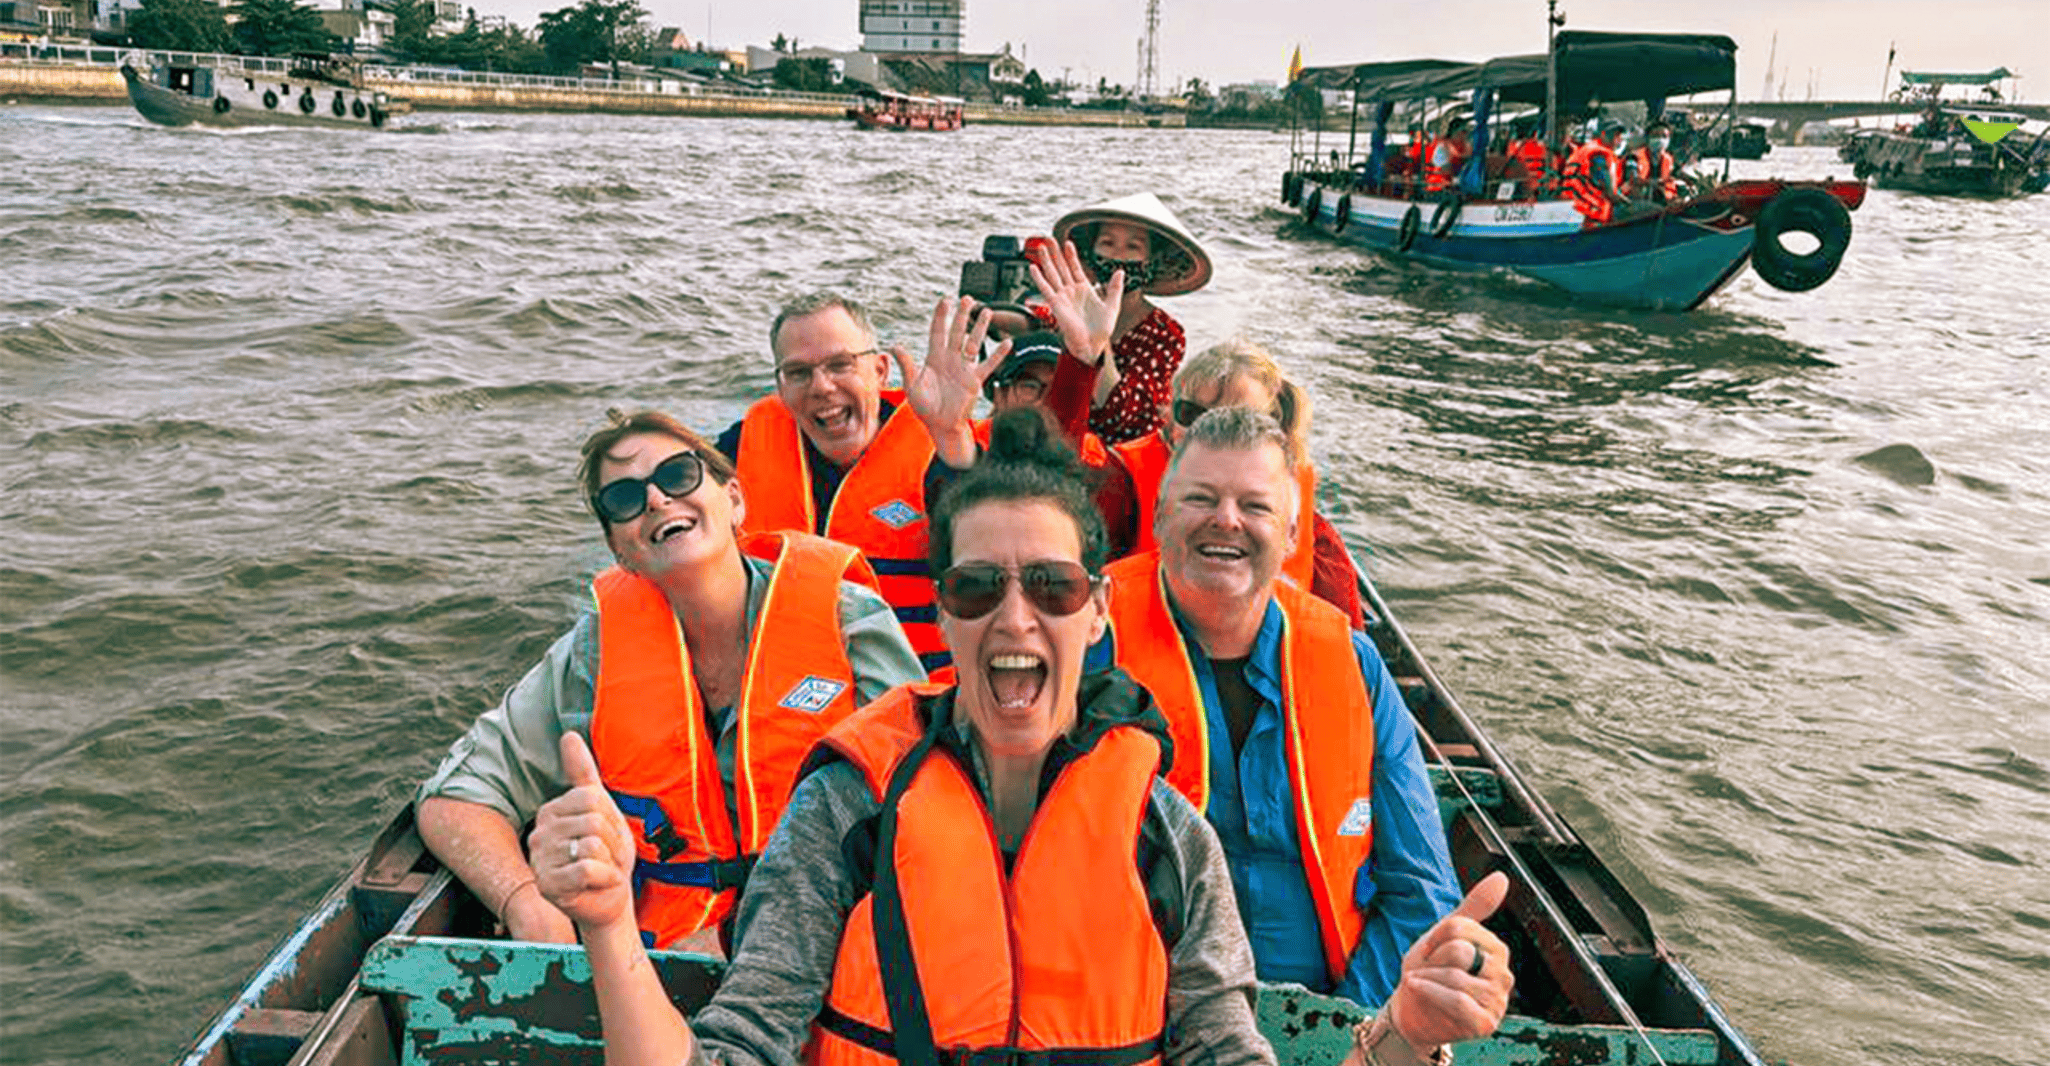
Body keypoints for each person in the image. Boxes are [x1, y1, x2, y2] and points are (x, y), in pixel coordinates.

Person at [530, 406, 1517, 1066]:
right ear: (942, 620)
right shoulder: (845, 807)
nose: (1013, 618)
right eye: (974, 587)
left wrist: (1395, 1038)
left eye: (1049, 586)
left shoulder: (1167, 836)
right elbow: (739, 1045)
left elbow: (1224, 1049)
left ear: (1095, 613)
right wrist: (612, 921)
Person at [416, 411, 926, 951]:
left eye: (678, 475)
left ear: (733, 500)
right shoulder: (593, 654)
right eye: (624, 500)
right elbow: (453, 800)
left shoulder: (848, 619)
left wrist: (746, 936)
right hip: (661, 965)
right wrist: (525, 902)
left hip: (829, 939)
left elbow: (923, 806)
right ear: (621, 551)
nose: (657, 500)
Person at [1097, 406, 1463, 1007]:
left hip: (1331, 1009)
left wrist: (1343, 1027)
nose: (1226, 521)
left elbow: (1420, 887)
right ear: (1160, 517)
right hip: (1139, 1014)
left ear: (1293, 535)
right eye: (1200, 499)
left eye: (1256, 506)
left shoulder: (1354, 662)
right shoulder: (1088, 641)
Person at [717, 293, 1012, 674]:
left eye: (840, 365)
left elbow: (993, 551)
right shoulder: (741, 447)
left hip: (915, 689)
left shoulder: (946, 447)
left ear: (879, 370)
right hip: (786, 681)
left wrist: (952, 434)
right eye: (798, 373)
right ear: (780, 384)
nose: (821, 387)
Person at [1100, 339, 1364, 625]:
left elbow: (1345, 638)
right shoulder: (1120, 485)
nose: (1209, 433)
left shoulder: (1318, 539)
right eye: (1191, 414)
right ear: (1170, 414)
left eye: (1236, 421)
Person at [992, 192, 1213, 447]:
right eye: (1107, 243)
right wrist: (984, 315)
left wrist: (1098, 340)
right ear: (1092, 252)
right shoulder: (1077, 305)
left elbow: (1123, 414)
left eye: (1133, 247)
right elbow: (1035, 321)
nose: (1119, 255)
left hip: (1121, 459)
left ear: (1152, 261)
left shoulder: (1166, 333)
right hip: (1064, 440)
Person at [1560, 117, 1625, 225]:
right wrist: (1630, 203)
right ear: (1603, 135)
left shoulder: (1587, 149)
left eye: (1620, 136)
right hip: (1586, 213)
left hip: (1570, 209)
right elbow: (1610, 193)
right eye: (1616, 135)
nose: (1619, 140)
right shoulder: (1598, 155)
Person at [1623, 122, 1678, 203]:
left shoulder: (1669, 159)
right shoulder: (1634, 156)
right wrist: (1657, 182)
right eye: (1656, 135)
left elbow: (1670, 182)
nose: (1660, 139)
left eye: (1664, 136)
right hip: (1633, 201)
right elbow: (1633, 180)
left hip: (1661, 202)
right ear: (1648, 138)